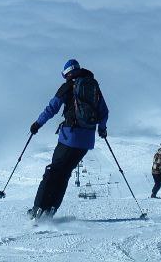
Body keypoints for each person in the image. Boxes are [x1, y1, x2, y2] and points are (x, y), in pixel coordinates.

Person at [27, 58, 109, 219]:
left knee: (53, 171)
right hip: (86, 141)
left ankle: (38, 209)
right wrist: (102, 129)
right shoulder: (93, 86)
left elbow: (52, 108)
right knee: (65, 174)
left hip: (70, 137)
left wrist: (37, 124)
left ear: (66, 74)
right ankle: (51, 210)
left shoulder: (68, 86)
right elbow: (104, 111)